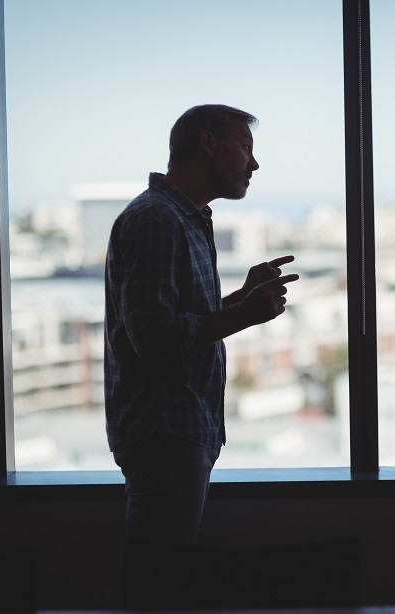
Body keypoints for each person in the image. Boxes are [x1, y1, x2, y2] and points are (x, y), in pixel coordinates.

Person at [105, 104, 298, 547]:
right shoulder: (157, 219)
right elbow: (153, 336)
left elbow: (178, 318)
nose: (253, 163)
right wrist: (246, 313)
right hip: (165, 432)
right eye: (244, 147)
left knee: (165, 583)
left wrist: (239, 300)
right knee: (161, 589)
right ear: (208, 144)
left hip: (176, 430)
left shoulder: (182, 217)